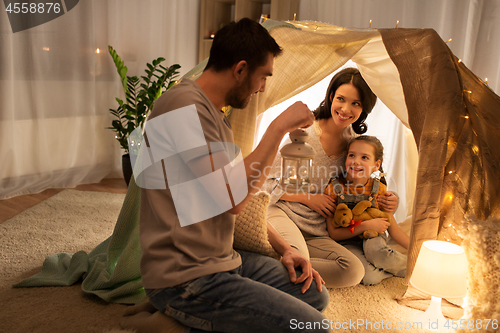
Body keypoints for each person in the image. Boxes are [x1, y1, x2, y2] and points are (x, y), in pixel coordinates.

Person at [120, 18, 331, 333]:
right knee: (313, 327)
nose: (262, 87)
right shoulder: (182, 107)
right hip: (186, 276)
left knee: (315, 297)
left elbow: (238, 201)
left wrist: (286, 249)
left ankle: (182, 318)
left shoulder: (215, 116)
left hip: (221, 259)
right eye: (263, 77)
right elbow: (229, 199)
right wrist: (277, 128)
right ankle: (169, 318)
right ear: (241, 69)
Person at [266, 67, 399, 288]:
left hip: (318, 229)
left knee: (354, 271)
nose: (346, 109)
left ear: (364, 107)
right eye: (341, 99)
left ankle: (283, 262)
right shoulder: (303, 134)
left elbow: (364, 187)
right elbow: (265, 185)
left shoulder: (354, 146)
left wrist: (391, 201)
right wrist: (308, 198)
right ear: (330, 97)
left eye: (356, 103)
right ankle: (283, 264)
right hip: (284, 213)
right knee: (298, 262)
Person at [324, 135, 409, 285]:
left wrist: (420, 254)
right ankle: (388, 269)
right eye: (352, 155)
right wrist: (365, 225)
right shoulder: (334, 188)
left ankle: (414, 268)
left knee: (377, 254)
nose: (356, 161)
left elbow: (394, 231)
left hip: (374, 236)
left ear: (376, 165)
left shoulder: (379, 190)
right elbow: (334, 234)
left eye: (364, 157)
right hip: (347, 241)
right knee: (369, 277)